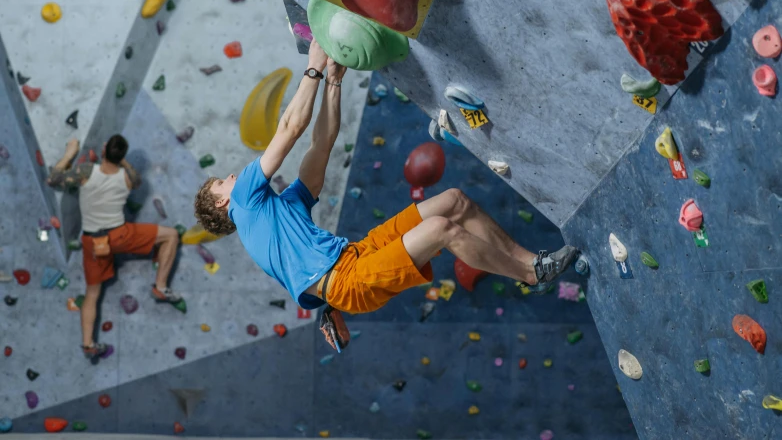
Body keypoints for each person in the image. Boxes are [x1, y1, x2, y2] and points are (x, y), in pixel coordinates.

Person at [193, 41, 578, 320]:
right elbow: (291, 128)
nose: (229, 177)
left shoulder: (277, 211)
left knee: (453, 202)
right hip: (346, 280)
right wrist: (312, 68)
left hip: (353, 257)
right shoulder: (244, 199)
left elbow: (321, 145)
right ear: (222, 203)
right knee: (443, 229)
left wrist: (333, 81)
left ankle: (533, 264)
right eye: (220, 184)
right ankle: (530, 273)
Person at [48, 135, 181, 360]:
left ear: (103, 150)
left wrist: (70, 153)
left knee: (92, 294)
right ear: (122, 157)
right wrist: (123, 161)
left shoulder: (86, 172)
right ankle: (160, 286)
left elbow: (53, 179)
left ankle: (88, 343)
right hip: (120, 236)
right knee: (171, 236)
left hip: (93, 242)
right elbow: (136, 178)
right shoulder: (129, 177)